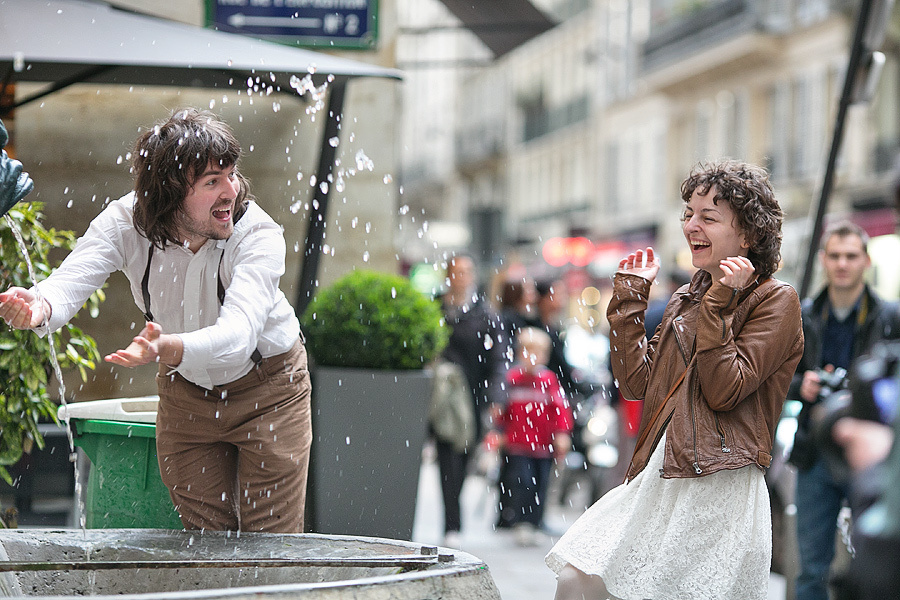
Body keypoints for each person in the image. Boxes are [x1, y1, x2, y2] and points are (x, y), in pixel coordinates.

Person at [0, 108, 311, 533]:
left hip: (271, 387)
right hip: (186, 394)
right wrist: (38, 306)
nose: (230, 193)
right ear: (168, 191)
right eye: (211, 182)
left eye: (231, 175)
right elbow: (70, 281)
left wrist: (170, 348)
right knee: (204, 543)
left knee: (272, 545)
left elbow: (239, 335)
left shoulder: (258, 235)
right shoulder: (125, 221)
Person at [546, 159, 804, 600]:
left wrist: (718, 307)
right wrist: (628, 302)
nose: (690, 225)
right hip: (661, 474)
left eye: (708, 216)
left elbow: (724, 390)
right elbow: (638, 386)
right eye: (688, 212)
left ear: (748, 233)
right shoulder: (689, 294)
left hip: (719, 483)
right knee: (577, 581)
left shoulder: (775, 300)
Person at [786, 220, 900, 600]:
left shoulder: (889, 316)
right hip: (813, 449)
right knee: (811, 570)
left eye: (851, 256)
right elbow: (772, 377)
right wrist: (801, 385)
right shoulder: (802, 314)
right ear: (823, 260)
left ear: (865, 260)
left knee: (876, 564)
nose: (842, 264)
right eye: (834, 256)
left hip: (869, 451)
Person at [434, 253, 502, 547]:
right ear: (448, 275)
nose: (462, 277)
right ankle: (452, 523)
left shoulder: (484, 314)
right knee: (448, 456)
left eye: (467, 271)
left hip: (473, 397)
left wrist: (495, 397)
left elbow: (498, 359)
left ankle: (453, 519)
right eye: (457, 271)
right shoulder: (436, 309)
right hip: (442, 398)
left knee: (464, 457)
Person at [495, 327, 573, 545]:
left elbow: (560, 409)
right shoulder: (512, 379)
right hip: (518, 444)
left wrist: (561, 433)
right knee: (522, 482)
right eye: (528, 351)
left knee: (541, 484)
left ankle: (535, 521)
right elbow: (503, 410)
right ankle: (521, 522)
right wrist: (498, 431)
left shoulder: (548, 381)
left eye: (538, 352)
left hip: (543, 445)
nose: (532, 357)